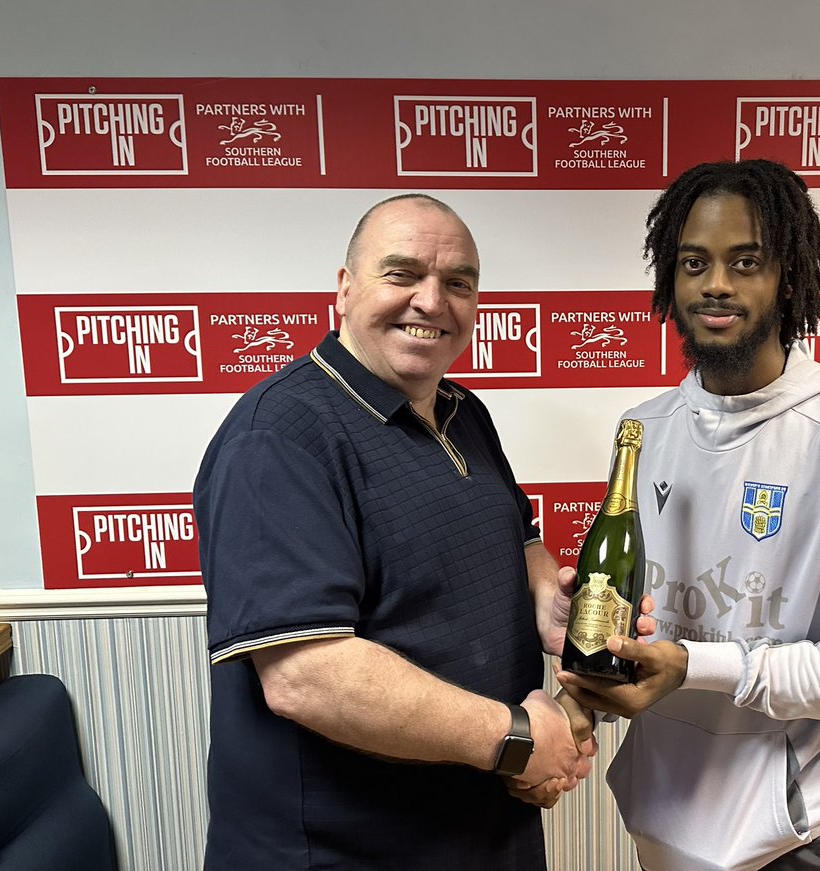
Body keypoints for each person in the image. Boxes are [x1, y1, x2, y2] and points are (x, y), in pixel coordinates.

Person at [194, 193, 639, 870]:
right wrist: (519, 738)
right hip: (343, 850)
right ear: (344, 288)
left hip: (480, 831)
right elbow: (307, 675)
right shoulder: (279, 436)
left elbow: (516, 540)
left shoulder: (465, 412)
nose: (431, 302)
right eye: (401, 274)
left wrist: (549, 604)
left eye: (458, 283)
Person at [556, 160, 820, 871]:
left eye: (746, 262)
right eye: (694, 262)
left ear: (788, 277)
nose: (717, 284)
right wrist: (581, 698)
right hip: (664, 821)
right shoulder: (643, 429)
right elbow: (626, 627)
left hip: (800, 838)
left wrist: (697, 664)